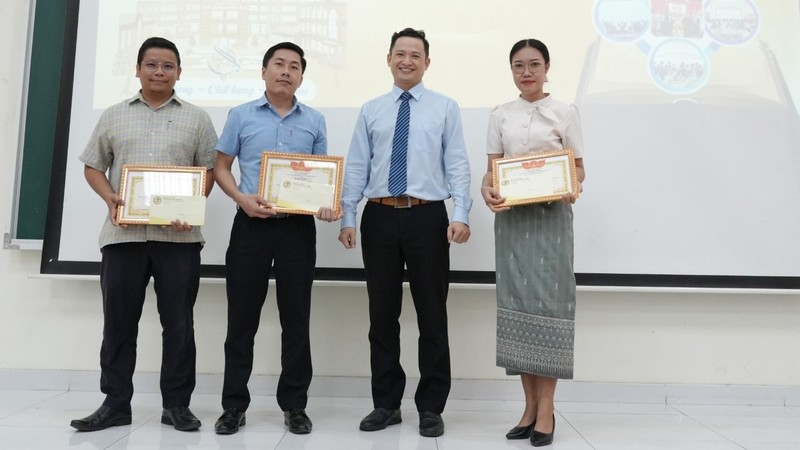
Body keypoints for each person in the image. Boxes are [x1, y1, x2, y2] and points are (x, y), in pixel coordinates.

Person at [70, 37, 218, 432]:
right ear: (137, 69)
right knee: (119, 324)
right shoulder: (114, 115)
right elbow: (92, 167)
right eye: (151, 64)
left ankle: (177, 405)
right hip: (124, 237)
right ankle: (116, 403)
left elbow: (208, 172)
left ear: (179, 73)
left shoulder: (198, 118)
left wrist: (189, 207)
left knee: (179, 324)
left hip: (179, 240)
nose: (159, 71)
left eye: (168, 66)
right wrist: (110, 199)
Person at [338, 28, 472, 438]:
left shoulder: (445, 107)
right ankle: (386, 404)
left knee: (432, 315)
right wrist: (348, 214)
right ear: (389, 58)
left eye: (416, 55)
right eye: (400, 53)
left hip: (427, 216)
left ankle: (431, 408)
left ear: (427, 62)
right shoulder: (371, 109)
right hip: (378, 217)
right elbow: (358, 164)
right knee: (382, 316)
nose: (407, 60)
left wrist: (461, 213)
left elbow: (458, 164)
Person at [212, 41, 336, 436]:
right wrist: (240, 198)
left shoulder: (315, 120)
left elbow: (319, 178)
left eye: (294, 66)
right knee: (241, 320)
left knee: (296, 320)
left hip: (298, 230)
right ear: (263, 71)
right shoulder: (241, 115)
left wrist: (325, 204)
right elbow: (221, 167)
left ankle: (295, 406)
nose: (286, 71)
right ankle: (233, 406)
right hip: (250, 226)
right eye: (278, 64)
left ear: (302, 76)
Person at [480, 38, 585, 447]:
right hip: (512, 224)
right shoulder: (499, 114)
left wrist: (569, 186)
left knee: (550, 307)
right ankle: (527, 408)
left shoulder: (565, 112)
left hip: (551, 221)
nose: (526, 72)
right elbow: (492, 173)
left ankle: (547, 411)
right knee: (517, 308)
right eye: (519, 65)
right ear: (511, 71)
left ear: (546, 68)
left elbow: (577, 169)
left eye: (534, 64)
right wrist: (487, 190)